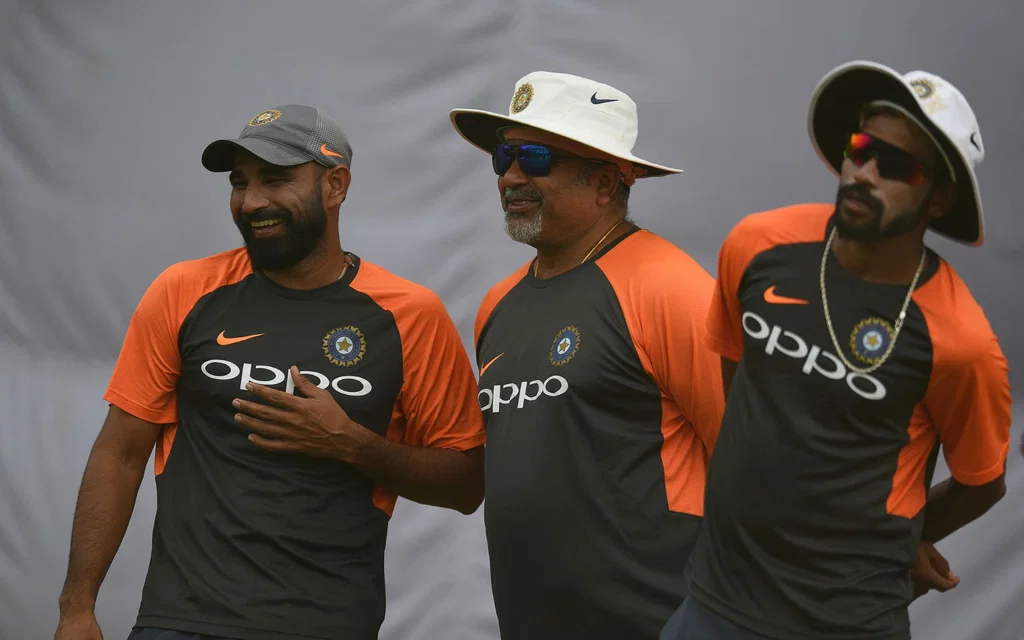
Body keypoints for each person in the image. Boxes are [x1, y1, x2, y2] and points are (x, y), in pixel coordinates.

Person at [54, 105, 487, 640]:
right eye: (240, 183)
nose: (252, 201)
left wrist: (352, 444)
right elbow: (119, 454)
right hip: (181, 621)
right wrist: (77, 607)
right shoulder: (184, 291)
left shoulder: (409, 314)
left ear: (336, 185)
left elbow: (466, 483)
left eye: (276, 179)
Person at [661, 61, 1012, 640]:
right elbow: (738, 384)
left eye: (896, 165)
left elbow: (983, 481)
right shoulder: (757, 245)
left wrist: (909, 537)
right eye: (861, 147)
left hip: (845, 622)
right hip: (715, 600)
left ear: (941, 199)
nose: (864, 172)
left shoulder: (962, 341)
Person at [448, 71, 725, 639]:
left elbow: (752, 460)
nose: (511, 176)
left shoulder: (668, 286)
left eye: (535, 157)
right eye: (503, 156)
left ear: (604, 183)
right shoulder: (498, 305)